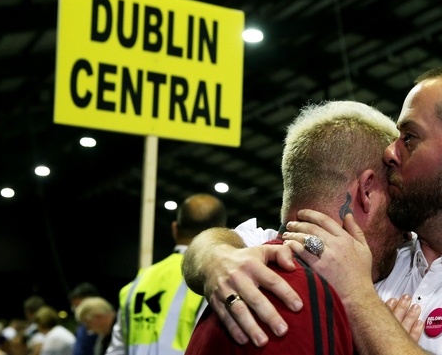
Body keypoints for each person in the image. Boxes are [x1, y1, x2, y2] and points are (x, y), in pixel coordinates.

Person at [182, 65, 442, 354]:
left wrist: (359, 299)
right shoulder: (383, 248)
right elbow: (248, 241)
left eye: (409, 138)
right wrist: (219, 258)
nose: (390, 152)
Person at [184, 101, 421, 354]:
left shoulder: (254, 261)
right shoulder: (264, 281)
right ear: (366, 190)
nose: (405, 233)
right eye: (394, 201)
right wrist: (216, 257)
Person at [105, 193, 227, 355]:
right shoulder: (217, 280)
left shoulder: (135, 284)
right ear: (222, 232)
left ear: (175, 228)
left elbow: (116, 351)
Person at [68, 283, 100, 355]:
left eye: (79, 306)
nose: (76, 310)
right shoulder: (82, 327)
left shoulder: (104, 326)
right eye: (74, 306)